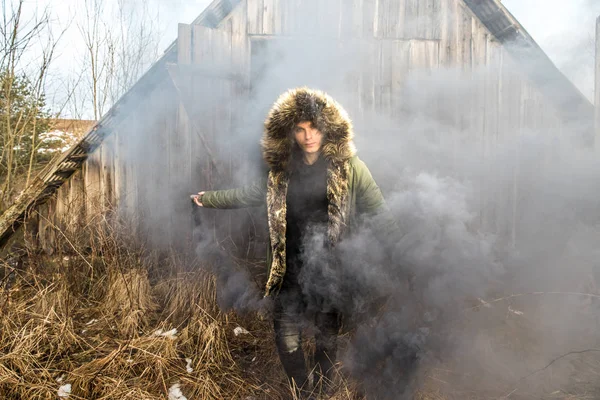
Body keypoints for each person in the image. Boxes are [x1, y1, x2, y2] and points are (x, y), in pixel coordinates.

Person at [193, 87, 394, 397]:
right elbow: (246, 195)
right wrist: (208, 199)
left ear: (326, 128)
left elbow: (379, 211)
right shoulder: (281, 173)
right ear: (292, 134)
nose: (308, 135)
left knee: (327, 334)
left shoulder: (350, 168)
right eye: (300, 129)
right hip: (289, 268)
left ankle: (324, 389)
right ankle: (302, 389)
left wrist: (403, 250)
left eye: (314, 127)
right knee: (286, 333)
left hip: (331, 269)